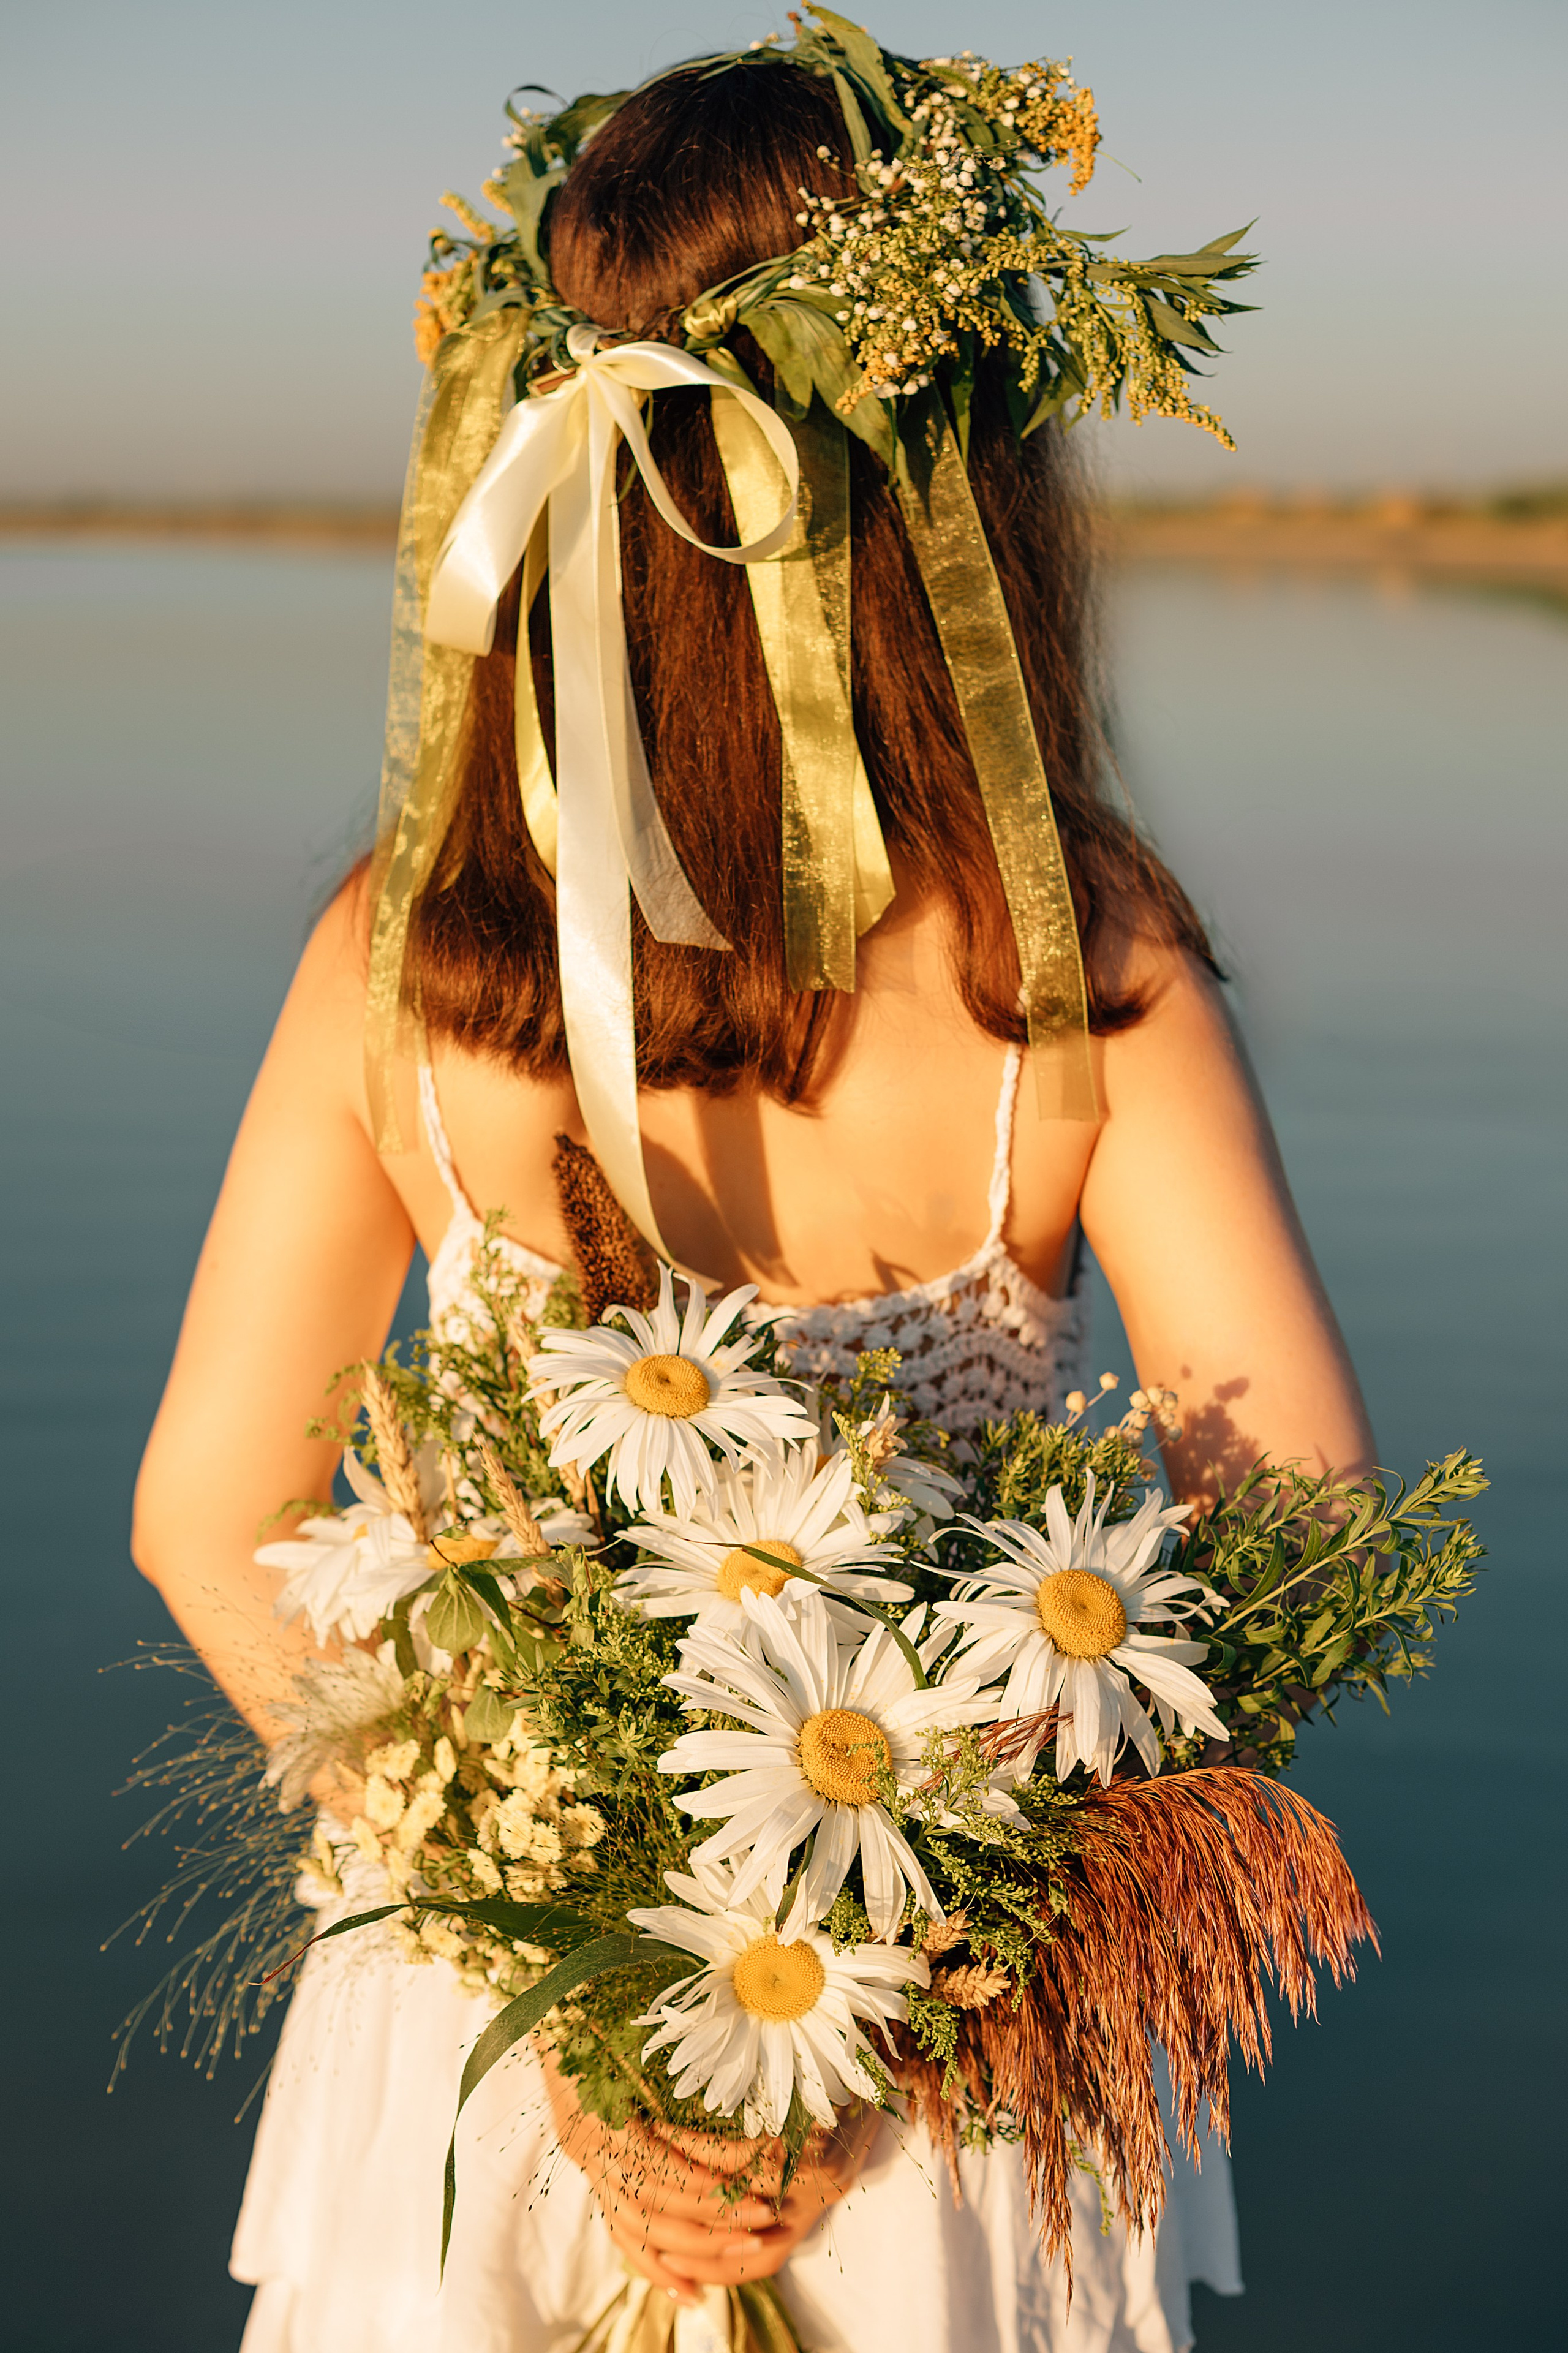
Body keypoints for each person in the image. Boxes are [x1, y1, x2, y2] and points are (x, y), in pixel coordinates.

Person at [132, 39, 1372, 2353]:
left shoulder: (414, 952)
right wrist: (907, 1985)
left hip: (496, 2062)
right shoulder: (1076, 954)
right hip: (954, 2064)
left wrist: (551, 1937)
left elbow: (213, 1513)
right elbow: (1299, 1516)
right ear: (967, 493)